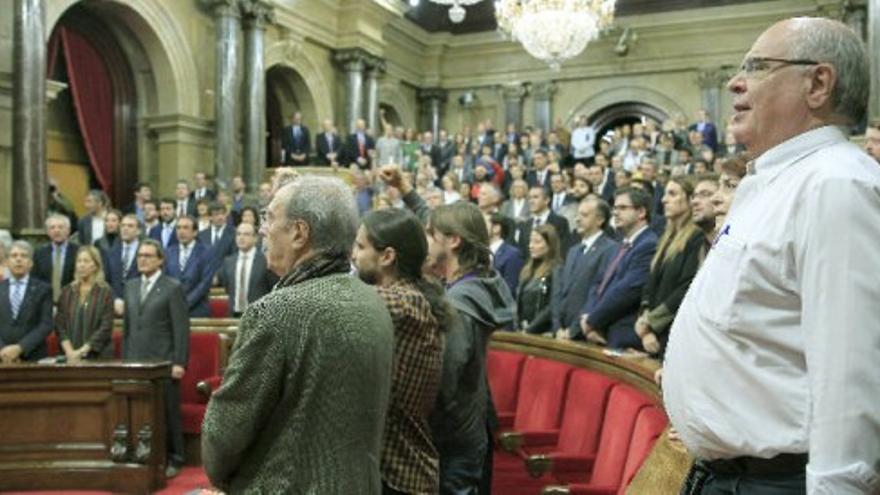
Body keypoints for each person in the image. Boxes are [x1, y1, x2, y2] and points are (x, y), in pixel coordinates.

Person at [664, 17, 880, 495]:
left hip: (778, 481)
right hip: (728, 476)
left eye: (758, 67)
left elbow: (850, 368)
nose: (735, 82)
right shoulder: (771, 183)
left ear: (818, 83)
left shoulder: (836, 184)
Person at [202, 176, 394, 493]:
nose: (264, 229)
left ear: (299, 233)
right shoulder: (373, 300)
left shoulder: (276, 311)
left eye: (270, 218)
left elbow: (222, 438)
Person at [352, 208, 450, 495]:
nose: (354, 255)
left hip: (401, 475)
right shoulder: (406, 297)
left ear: (387, 256)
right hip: (391, 470)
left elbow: (337, 302)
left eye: (360, 246)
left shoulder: (403, 302)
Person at [425, 202, 515, 494]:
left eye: (430, 233)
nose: (425, 240)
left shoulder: (460, 303)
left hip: (452, 435)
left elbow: (445, 377)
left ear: (453, 240)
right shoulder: (482, 281)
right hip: (471, 425)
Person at [122, 239, 189, 478]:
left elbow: (181, 328)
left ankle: (176, 458)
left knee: (168, 413)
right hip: (136, 361)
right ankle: (145, 456)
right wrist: (125, 360)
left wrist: (179, 362)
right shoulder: (129, 286)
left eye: (148, 255)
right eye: (140, 255)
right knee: (140, 412)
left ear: (160, 260)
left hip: (163, 362)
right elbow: (128, 328)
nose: (142, 259)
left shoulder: (171, 287)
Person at [580, 187, 658, 349]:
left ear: (641, 212)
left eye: (622, 208)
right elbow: (598, 284)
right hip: (600, 330)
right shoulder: (620, 245)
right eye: (614, 208)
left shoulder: (649, 245)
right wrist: (587, 315)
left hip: (622, 336)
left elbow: (626, 291)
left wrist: (593, 320)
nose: (615, 213)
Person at [633, 177, 703, 357]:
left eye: (672, 194)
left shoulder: (697, 237)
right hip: (653, 334)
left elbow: (686, 287)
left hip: (673, 334)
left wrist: (650, 322)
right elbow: (650, 285)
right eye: (665, 194)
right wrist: (644, 320)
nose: (663, 200)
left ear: (689, 200)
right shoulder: (666, 237)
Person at [553, 196, 618, 340]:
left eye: (584, 215)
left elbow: (598, 293)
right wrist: (557, 327)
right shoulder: (573, 250)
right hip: (561, 331)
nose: (577, 219)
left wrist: (573, 330)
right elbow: (560, 291)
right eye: (577, 215)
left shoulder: (610, 249)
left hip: (584, 333)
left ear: (600, 220)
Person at [55, 246, 114, 361]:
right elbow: (60, 326)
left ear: (95, 265)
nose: (81, 265)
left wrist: (82, 351)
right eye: (79, 261)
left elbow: (105, 327)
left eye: (86, 261)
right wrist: (70, 352)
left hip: (97, 356)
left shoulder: (105, 292)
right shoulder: (67, 291)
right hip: (69, 355)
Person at [0, 241, 53, 363]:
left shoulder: (44, 289)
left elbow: (46, 324)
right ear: (7, 262)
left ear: (31, 263)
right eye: (14, 256)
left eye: (24, 256)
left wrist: (20, 348)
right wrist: (3, 350)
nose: (19, 259)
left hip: (33, 356)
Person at [218, 222, 276, 317]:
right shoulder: (228, 261)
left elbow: (271, 289)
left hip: (258, 315)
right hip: (233, 314)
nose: (241, 237)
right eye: (238, 234)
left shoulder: (265, 261)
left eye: (246, 234)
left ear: (255, 238)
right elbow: (227, 287)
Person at [516, 224, 562, 335]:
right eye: (530, 241)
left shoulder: (556, 270)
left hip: (543, 332)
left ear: (550, 245)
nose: (531, 246)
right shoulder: (527, 270)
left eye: (537, 242)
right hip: (522, 329)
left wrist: (531, 328)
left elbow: (552, 306)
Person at [164, 216, 213, 317]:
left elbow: (205, 283)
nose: (181, 231)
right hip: (171, 309)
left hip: (197, 309)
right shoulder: (168, 252)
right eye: (178, 228)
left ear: (195, 232)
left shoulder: (206, 252)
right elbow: (164, 280)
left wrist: (185, 303)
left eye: (186, 228)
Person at [33, 214, 80, 303]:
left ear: (68, 230)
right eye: (52, 227)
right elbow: (35, 280)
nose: (56, 230)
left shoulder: (78, 252)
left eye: (60, 227)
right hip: (46, 302)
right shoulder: (39, 253)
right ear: (47, 232)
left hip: (72, 302)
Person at [488, 213, 524, 295]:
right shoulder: (480, 251)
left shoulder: (512, 254)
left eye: (484, 223)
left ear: (496, 228)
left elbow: (510, 288)